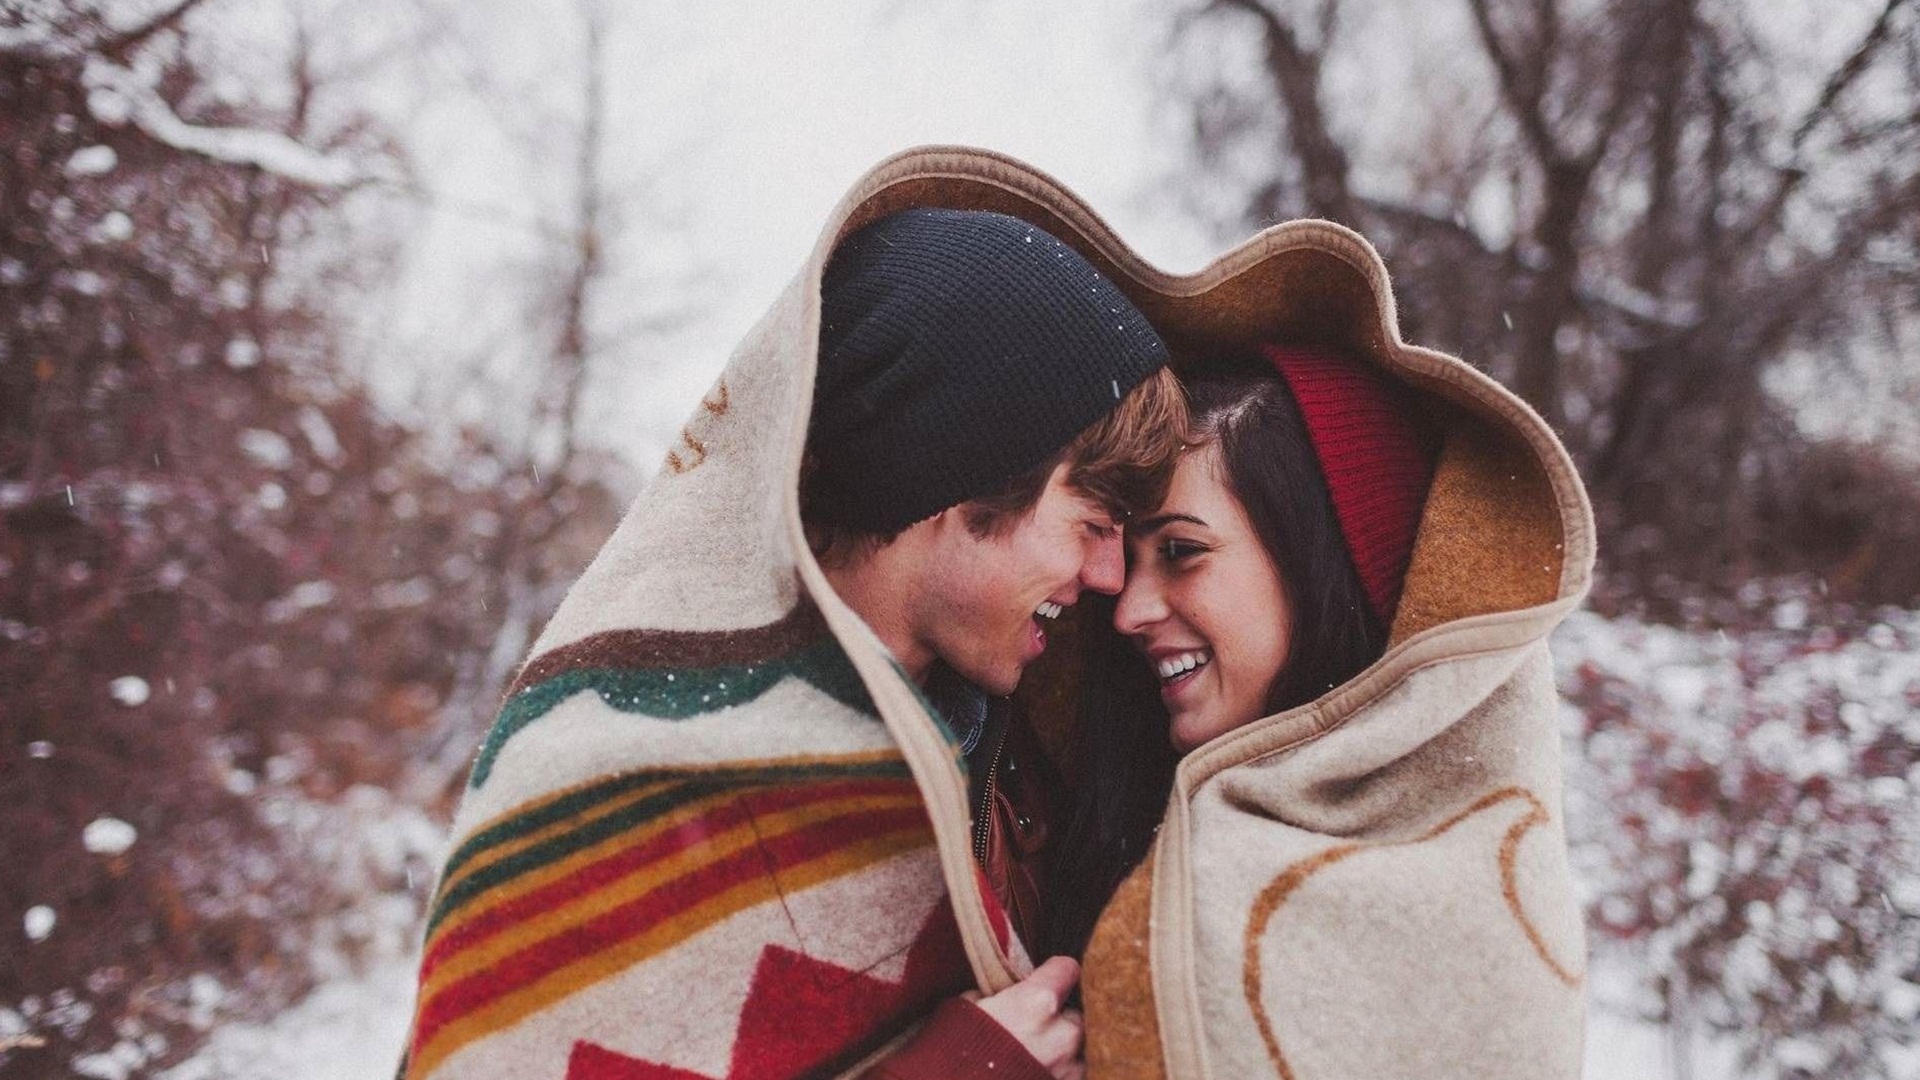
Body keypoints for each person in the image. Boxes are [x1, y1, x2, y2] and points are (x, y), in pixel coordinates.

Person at [801, 208, 1186, 1080]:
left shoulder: (1020, 762)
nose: (1108, 578)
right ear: (959, 467)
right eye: (1094, 522)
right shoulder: (654, 765)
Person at [1046, 345, 1436, 961]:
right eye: (1127, 560)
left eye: (1180, 551)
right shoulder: (1090, 803)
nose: (1127, 612)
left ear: (1313, 563)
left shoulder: (1421, 901)